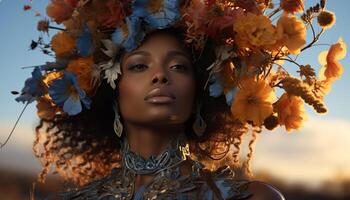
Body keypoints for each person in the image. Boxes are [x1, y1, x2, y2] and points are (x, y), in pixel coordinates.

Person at [12, 0, 343, 199]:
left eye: (178, 66)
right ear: (112, 94)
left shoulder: (249, 198)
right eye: (140, 65)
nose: (160, 76)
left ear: (199, 94)